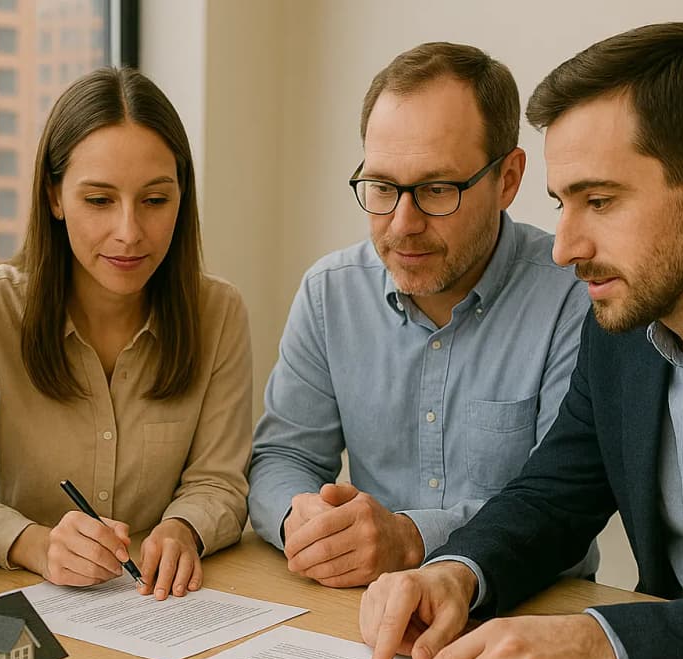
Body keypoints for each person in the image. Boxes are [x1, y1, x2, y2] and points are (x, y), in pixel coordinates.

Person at [362, 22, 683, 659]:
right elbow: (553, 498)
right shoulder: (623, 321)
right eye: (561, 204)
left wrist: (597, 643)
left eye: (600, 201)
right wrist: (456, 573)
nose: (564, 248)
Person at [249, 42, 595, 588]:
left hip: (524, 604)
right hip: (362, 605)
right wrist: (303, 518)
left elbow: (562, 510)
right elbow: (283, 456)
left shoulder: (573, 298)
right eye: (383, 187)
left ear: (507, 179)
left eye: (437, 189)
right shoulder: (329, 294)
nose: (403, 224)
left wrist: (409, 538)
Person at [0, 67, 251, 601]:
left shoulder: (218, 313)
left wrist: (183, 529)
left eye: (155, 201)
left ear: (182, 197)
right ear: (54, 196)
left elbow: (219, 480)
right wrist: (37, 545)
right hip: (28, 597)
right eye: (100, 201)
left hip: (161, 602)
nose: (129, 232)